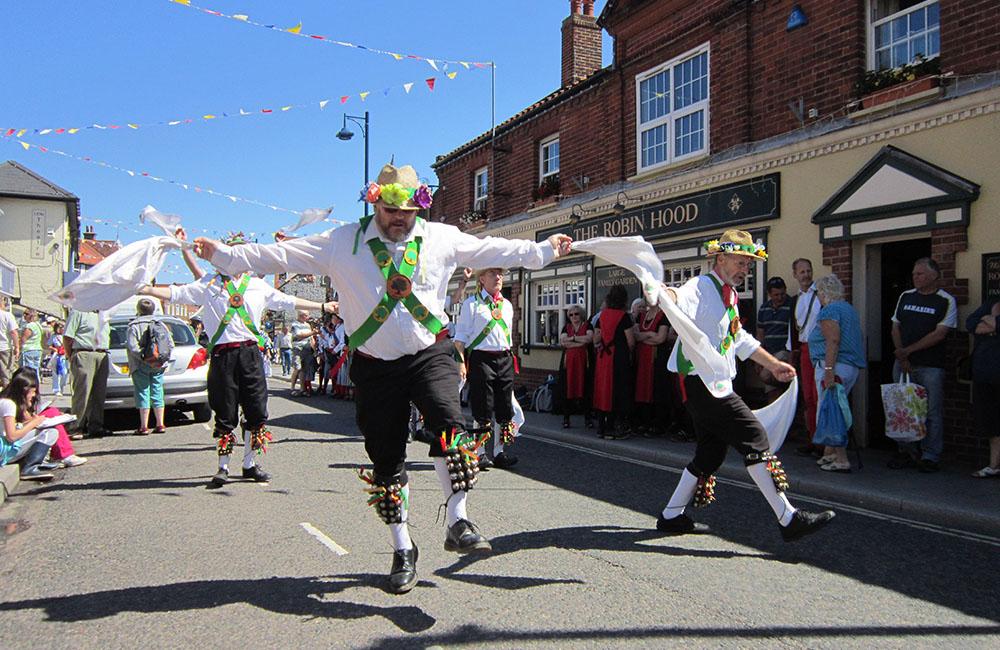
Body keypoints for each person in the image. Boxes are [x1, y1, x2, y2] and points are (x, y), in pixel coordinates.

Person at [191, 162, 572, 595]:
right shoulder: (343, 242)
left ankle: (458, 520)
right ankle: (403, 547)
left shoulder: (441, 238)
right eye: (391, 210)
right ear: (375, 204)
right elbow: (279, 256)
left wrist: (544, 251)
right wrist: (222, 255)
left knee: (451, 425)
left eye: (407, 211)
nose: (399, 218)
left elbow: (493, 249)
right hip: (374, 364)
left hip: (429, 353)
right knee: (386, 459)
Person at [656, 230, 835, 542]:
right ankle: (788, 517)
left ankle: (671, 515)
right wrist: (664, 293)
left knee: (711, 454)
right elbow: (679, 298)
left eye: (748, 265)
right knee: (755, 436)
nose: (745, 270)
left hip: (713, 384)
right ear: (721, 259)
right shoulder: (702, 286)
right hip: (702, 384)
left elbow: (739, 339)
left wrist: (773, 364)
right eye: (740, 263)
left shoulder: (729, 295)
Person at [141, 229, 334, 487]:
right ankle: (223, 467)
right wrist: (146, 289)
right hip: (223, 355)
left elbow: (287, 301)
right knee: (224, 411)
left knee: (256, 410)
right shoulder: (208, 284)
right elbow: (175, 294)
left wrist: (321, 306)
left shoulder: (256, 285)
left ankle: (249, 464)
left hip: (251, 355)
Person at [889, 257, 957, 473]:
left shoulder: (945, 301)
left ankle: (930, 455)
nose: (915, 277)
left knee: (931, 412)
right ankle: (906, 452)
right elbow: (895, 326)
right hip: (903, 364)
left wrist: (908, 351)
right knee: (903, 409)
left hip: (931, 366)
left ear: (934, 275)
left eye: (920, 274)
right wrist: (902, 356)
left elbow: (939, 334)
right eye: (914, 274)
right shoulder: (906, 296)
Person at [455, 267, 519, 469]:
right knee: (482, 406)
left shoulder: (507, 305)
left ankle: (499, 452)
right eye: (492, 274)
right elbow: (460, 337)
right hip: (481, 359)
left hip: (504, 358)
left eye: (500, 274)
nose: (498, 277)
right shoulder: (472, 304)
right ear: (481, 279)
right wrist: (460, 363)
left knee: (504, 407)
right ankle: (479, 452)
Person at [808, 275, 866, 473]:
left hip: (835, 365)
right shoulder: (848, 309)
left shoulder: (830, 310)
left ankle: (841, 458)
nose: (817, 297)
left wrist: (829, 371)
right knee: (837, 407)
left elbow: (833, 340)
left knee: (833, 411)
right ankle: (830, 453)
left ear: (824, 293)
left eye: (818, 293)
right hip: (849, 366)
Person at [787, 259, 821, 457]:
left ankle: (824, 443)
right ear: (795, 275)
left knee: (820, 396)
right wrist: (792, 353)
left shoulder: (821, 295)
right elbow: (794, 328)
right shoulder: (795, 300)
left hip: (821, 350)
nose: (806, 275)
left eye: (808, 271)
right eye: (802, 272)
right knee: (808, 397)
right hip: (804, 351)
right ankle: (813, 440)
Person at [592, 285, 635, 439]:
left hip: (603, 356)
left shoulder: (602, 315)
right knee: (615, 390)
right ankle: (611, 428)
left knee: (602, 390)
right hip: (618, 356)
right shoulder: (624, 317)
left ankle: (601, 428)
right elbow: (631, 342)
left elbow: (595, 339)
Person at [63, 308, 113, 438]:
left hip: (102, 354)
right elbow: (67, 337)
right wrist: (71, 357)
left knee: (99, 394)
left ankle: (96, 426)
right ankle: (76, 427)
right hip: (84, 353)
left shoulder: (103, 314)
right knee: (82, 393)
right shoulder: (78, 312)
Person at [125, 298, 172, 435]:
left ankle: (144, 426)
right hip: (159, 365)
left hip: (140, 365)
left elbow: (133, 347)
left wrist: (146, 360)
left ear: (138, 310)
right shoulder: (160, 325)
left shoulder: (133, 326)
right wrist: (160, 361)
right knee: (157, 391)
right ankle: (160, 424)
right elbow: (170, 344)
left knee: (142, 392)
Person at [967, 295, 1000, 478]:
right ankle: (994, 465)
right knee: (991, 422)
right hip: (985, 372)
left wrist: (990, 320)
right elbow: (971, 322)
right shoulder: (991, 302)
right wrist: (994, 323)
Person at [633, 299, 674, 437]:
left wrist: (643, 338)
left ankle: (658, 424)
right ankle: (644, 421)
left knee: (656, 388)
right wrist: (650, 334)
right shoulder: (641, 315)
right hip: (641, 357)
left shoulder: (663, 315)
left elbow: (660, 339)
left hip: (657, 358)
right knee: (642, 387)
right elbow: (635, 336)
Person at [756, 276, 791, 405]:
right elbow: (761, 333)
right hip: (768, 353)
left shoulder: (792, 305)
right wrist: (758, 357)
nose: (780, 297)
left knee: (766, 376)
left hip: (783, 351)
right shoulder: (764, 308)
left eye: (782, 294)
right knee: (771, 393)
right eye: (776, 295)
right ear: (769, 293)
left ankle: (787, 387)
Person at [558, 306, 594, 429]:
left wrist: (572, 339)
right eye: (571, 314)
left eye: (576, 314)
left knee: (585, 389)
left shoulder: (588, 326)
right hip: (568, 364)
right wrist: (579, 342)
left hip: (584, 363)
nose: (574, 316)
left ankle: (588, 419)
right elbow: (563, 341)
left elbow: (589, 339)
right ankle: (566, 418)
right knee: (568, 388)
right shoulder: (566, 327)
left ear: (581, 314)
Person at [288, 310, 314, 396]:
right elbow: (299, 336)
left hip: (307, 348)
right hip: (298, 348)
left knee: (304, 370)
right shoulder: (295, 325)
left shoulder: (307, 325)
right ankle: (292, 388)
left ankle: (302, 389)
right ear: (300, 315)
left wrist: (315, 348)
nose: (307, 317)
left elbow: (310, 338)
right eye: (306, 316)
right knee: (297, 368)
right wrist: (312, 332)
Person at [19, 308, 45, 382]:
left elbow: (23, 339)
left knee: (27, 370)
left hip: (28, 349)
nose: (24, 315)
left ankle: (29, 383)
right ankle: (36, 383)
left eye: (26, 314)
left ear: (31, 315)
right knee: (35, 369)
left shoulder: (29, 326)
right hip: (38, 349)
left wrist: (18, 347)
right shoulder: (38, 325)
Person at [0, 297, 20, 390]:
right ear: (1, 304)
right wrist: (17, 347)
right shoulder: (7, 315)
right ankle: (6, 392)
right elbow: (13, 332)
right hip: (4, 347)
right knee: (5, 372)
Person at [46, 322, 68, 396]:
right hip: (57, 355)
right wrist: (54, 349)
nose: (63, 328)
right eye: (61, 327)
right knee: (56, 373)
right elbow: (49, 345)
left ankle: (61, 386)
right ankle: (56, 389)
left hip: (65, 355)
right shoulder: (54, 336)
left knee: (65, 372)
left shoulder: (67, 335)